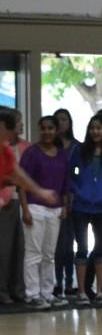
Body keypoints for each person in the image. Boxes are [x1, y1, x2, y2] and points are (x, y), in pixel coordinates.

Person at [68, 112, 102, 306]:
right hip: (81, 207)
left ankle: (99, 291)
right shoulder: (79, 151)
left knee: (101, 249)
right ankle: (81, 291)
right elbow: (71, 175)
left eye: (99, 128)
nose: (95, 131)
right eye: (92, 128)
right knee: (81, 248)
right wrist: (78, 191)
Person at [19, 116, 71, 309]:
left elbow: (65, 185)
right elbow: (22, 183)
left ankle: (47, 294)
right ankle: (32, 295)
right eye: (43, 128)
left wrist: (64, 206)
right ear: (39, 130)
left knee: (49, 254)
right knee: (33, 253)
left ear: (56, 131)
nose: (47, 132)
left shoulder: (62, 155)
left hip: (55, 209)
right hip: (34, 207)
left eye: (50, 128)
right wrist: (24, 209)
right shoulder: (31, 153)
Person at [0, 108, 30, 305]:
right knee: (4, 248)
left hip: (22, 201)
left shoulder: (25, 147)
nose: (21, 125)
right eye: (17, 122)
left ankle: (17, 289)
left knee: (20, 248)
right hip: (5, 202)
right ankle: (2, 291)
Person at [53, 108, 79, 297]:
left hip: (74, 198)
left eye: (64, 119)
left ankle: (70, 281)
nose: (61, 123)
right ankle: (57, 281)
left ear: (69, 123)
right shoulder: (50, 147)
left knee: (69, 244)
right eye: (58, 120)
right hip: (54, 198)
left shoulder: (78, 147)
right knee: (55, 245)